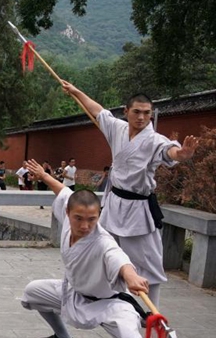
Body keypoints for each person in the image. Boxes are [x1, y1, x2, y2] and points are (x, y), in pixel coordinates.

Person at [21, 159, 174, 338]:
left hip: (109, 304)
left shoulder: (104, 242)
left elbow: (120, 261)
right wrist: (44, 175)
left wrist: (131, 276)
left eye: (92, 219)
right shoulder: (70, 213)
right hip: (73, 293)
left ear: (99, 215)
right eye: (79, 218)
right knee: (32, 292)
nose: (85, 225)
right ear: (68, 214)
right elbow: (63, 191)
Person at [62, 82, 198, 307]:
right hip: (114, 202)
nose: (142, 117)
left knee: (150, 261)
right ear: (126, 112)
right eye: (136, 112)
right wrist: (75, 91)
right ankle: (102, 296)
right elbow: (98, 111)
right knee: (102, 248)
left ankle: (151, 310)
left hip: (138, 208)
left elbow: (170, 151)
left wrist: (183, 154)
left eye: (147, 113)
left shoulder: (154, 140)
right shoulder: (117, 129)